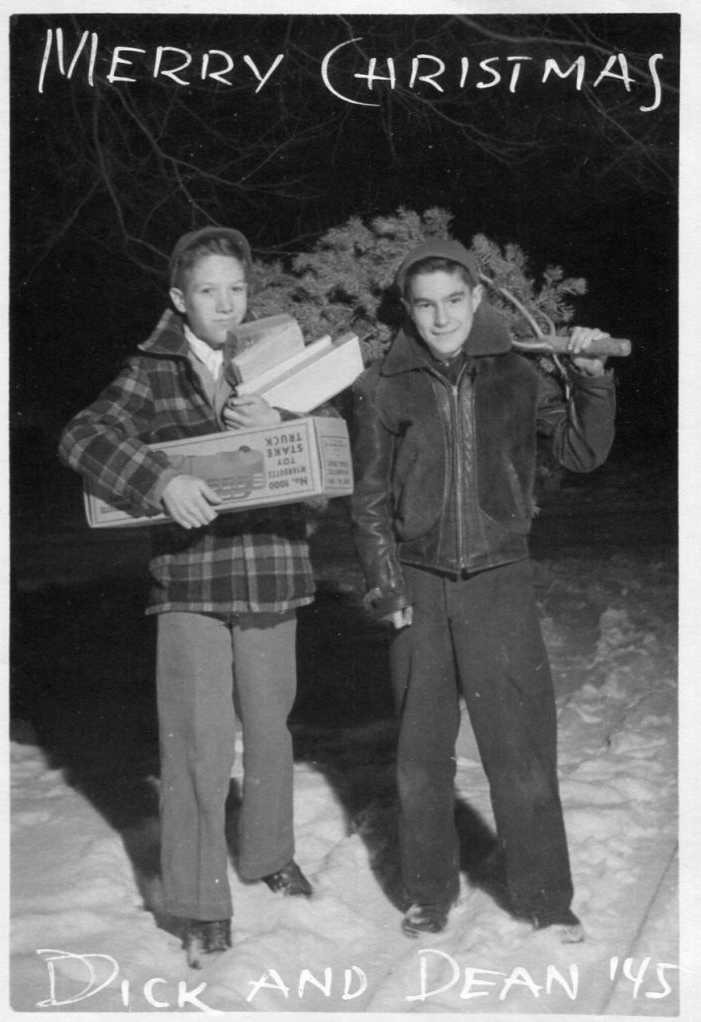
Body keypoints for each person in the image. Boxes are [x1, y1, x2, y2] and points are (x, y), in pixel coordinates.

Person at [59, 226, 315, 968]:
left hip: (271, 567)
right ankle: (198, 900)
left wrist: (284, 426)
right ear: (180, 298)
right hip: (192, 581)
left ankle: (268, 853)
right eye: (208, 289)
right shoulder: (153, 369)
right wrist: (159, 480)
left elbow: (327, 452)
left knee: (270, 732)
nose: (225, 303)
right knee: (197, 747)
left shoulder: (274, 362)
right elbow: (84, 435)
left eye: (236, 288)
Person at [350, 238, 616, 944]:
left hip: (500, 582)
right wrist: (386, 585)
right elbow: (369, 500)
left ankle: (545, 897)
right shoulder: (385, 385)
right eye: (424, 304)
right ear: (407, 310)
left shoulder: (519, 375)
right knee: (419, 758)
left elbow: (581, 451)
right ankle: (427, 894)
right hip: (420, 586)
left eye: (453, 301)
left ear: (477, 299)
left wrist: (590, 378)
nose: (441, 318)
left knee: (520, 751)